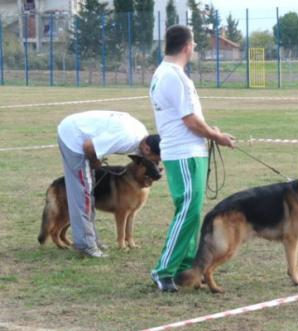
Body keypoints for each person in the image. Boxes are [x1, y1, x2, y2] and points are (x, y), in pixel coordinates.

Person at [149, 25, 235, 293]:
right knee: (187, 212)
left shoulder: (164, 73)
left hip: (185, 152)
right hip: (185, 154)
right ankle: (163, 270)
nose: (195, 48)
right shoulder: (174, 76)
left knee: (191, 212)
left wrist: (210, 133)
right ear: (187, 46)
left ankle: (185, 268)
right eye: (194, 44)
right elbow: (189, 120)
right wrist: (216, 136)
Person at [57, 110, 161, 257]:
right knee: (83, 193)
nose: (155, 163)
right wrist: (95, 162)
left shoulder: (142, 136)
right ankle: (86, 246)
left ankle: (91, 239)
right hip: (73, 138)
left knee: (88, 192)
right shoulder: (126, 138)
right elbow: (88, 147)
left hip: (79, 130)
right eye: (154, 159)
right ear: (147, 148)